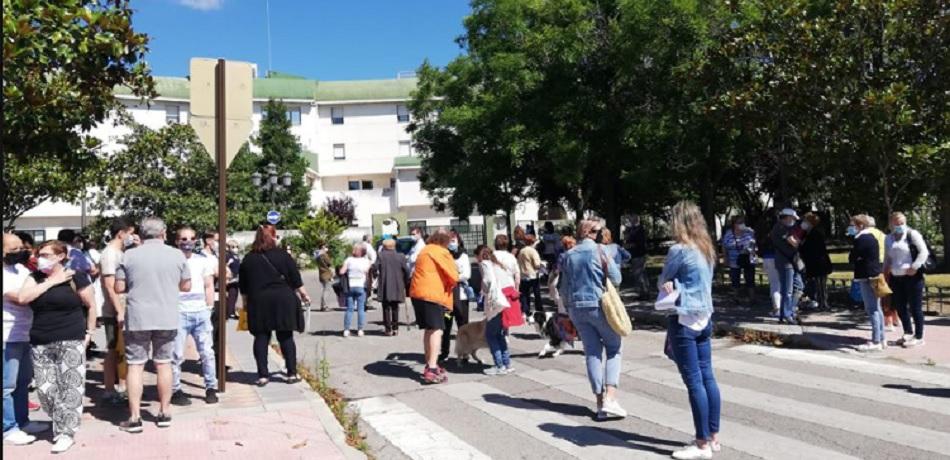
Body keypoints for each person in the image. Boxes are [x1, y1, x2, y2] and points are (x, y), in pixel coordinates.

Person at [18, 240, 97, 453]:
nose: (39, 258)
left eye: (45, 254)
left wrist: (89, 333)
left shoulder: (76, 277)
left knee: (71, 388)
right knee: (45, 390)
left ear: (61, 256)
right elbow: (23, 298)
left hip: (71, 338)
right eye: (39, 254)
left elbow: (91, 306)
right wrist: (53, 281)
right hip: (40, 340)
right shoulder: (35, 278)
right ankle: (61, 422)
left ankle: (66, 433)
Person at [658, 201, 722, 460]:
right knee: (708, 378)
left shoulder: (679, 250)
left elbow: (663, 280)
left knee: (694, 381)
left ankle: (701, 443)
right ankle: (713, 436)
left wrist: (668, 282)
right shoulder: (706, 248)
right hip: (705, 317)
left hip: (683, 318)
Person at [114, 217, 190, 433]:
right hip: (166, 316)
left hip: (138, 317)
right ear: (163, 233)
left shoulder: (129, 255)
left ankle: (135, 417)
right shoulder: (176, 255)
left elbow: (119, 287)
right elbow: (186, 285)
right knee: (163, 363)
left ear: (141, 232)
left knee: (135, 365)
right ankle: (164, 412)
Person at [558, 220, 625, 421]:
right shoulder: (601, 251)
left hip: (577, 309)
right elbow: (617, 278)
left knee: (592, 353)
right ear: (587, 232)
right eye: (596, 231)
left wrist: (569, 309)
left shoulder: (569, 255)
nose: (599, 234)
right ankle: (610, 398)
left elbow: (563, 288)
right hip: (598, 305)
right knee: (614, 347)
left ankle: (599, 403)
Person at [238, 224, 310, 385]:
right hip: (283, 300)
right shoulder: (283, 255)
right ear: (273, 237)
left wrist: (245, 304)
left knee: (261, 337)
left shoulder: (249, 259)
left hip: (259, 302)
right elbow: (295, 278)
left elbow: (243, 286)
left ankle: (263, 375)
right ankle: (291, 373)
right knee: (285, 336)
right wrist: (304, 295)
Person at [3, 233, 52, 446]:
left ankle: (22, 421)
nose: (20, 252)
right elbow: (22, 298)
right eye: (13, 250)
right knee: (7, 386)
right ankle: (8, 427)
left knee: (23, 383)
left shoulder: (21, 270)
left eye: (20, 248)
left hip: (25, 334)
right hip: (7, 336)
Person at [169, 227, 218, 406]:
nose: (187, 242)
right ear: (176, 241)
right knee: (176, 354)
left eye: (191, 238)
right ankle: (175, 389)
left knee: (207, 352)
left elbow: (209, 285)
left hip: (200, 312)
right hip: (179, 312)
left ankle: (211, 387)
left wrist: (209, 307)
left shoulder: (202, 261)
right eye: (183, 239)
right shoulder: (172, 261)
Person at [408, 229, 459, 384]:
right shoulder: (441, 252)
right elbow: (454, 275)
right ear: (445, 241)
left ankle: (429, 362)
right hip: (432, 294)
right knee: (437, 330)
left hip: (418, 293)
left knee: (428, 329)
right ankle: (431, 367)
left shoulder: (425, 250)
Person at [98, 217, 136, 406]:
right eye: (130, 233)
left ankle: (122, 385)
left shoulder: (122, 252)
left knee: (122, 349)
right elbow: (110, 286)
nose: (132, 237)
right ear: (121, 233)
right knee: (114, 349)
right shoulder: (110, 254)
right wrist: (119, 310)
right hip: (114, 310)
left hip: (124, 308)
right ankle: (110, 389)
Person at [885, 212, 930, 348]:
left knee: (915, 307)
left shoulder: (912, 234)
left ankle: (919, 336)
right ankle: (908, 332)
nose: (899, 226)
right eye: (896, 223)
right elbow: (888, 257)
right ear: (891, 224)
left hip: (912, 276)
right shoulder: (889, 238)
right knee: (900, 306)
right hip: (896, 276)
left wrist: (915, 267)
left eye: (901, 223)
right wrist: (885, 271)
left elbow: (924, 252)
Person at [848, 215, 885, 352]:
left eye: (853, 225)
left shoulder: (861, 239)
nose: (851, 228)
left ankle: (876, 340)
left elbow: (852, 257)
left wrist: (855, 257)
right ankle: (881, 337)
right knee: (877, 307)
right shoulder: (872, 237)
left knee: (871, 308)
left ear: (860, 226)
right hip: (875, 274)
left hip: (866, 276)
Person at [478, 246, 517, 375]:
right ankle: (507, 363)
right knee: (501, 334)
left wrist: (483, 290)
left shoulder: (485, 264)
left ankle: (499, 365)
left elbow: (487, 281)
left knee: (491, 334)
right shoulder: (500, 266)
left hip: (495, 304)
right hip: (505, 302)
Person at [439, 232, 472, 361]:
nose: (451, 243)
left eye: (454, 240)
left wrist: (453, 277)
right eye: (449, 241)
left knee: (463, 325)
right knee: (446, 324)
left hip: (461, 296)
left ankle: (465, 352)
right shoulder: (444, 255)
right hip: (447, 296)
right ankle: (444, 351)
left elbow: (467, 274)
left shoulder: (463, 256)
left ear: (458, 241)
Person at [770, 208, 802, 323]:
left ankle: (790, 310)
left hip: (792, 261)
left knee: (799, 286)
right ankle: (786, 314)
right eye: (793, 218)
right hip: (785, 262)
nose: (794, 221)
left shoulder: (788, 228)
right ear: (787, 217)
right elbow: (794, 242)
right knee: (787, 290)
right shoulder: (780, 228)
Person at [374, 239, 409, 336]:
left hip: (385, 284)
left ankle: (388, 329)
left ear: (384, 247)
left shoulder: (381, 256)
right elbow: (406, 271)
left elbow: (375, 268)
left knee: (386, 307)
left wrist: (375, 275)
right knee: (395, 307)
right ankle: (395, 328)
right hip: (397, 284)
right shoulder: (401, 256)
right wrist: (405, 282)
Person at [799, 213, 832, 310]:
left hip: (819, 264)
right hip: (813, 264)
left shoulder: (815, 234)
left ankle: (823, 304)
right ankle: (818, 302)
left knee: (821, 285)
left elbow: (814, 250)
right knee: (816, 285)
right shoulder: (807, 233)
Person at [720, 216, 756, 303]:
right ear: (734, 224)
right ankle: (735, 297)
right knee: (735, 279)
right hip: (734, 259)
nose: (741, 224)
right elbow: (724, 246)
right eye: (738, 222)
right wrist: (725, 257)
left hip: (748, 259)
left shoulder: (749, 232)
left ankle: (752, 298)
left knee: (750, 278)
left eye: (742, 222)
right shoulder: (729, 234)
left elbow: (753, 244)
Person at [340, 244, 371, 337]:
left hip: (350, 286)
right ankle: (360, 330)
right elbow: (367, 272)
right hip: (361, 285)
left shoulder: (349, 260)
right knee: (361, 309)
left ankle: (346, 329)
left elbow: (342, 271)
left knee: (349, 309)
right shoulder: (366, 261)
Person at [517, 234, 543, 324]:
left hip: (523, 275)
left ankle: (525, 311)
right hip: (533, 275)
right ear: (532, 242)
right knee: (536, 294)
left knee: (524, 294)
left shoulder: (521, 251)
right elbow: (537, 264)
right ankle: (539, 310)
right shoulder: (533, 251)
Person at [624, 215, 649, 296]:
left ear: (635, 219)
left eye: (630, 218)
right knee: (640, 274)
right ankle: (643, 292)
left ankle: (644, 293)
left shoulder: (639, 230)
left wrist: (630, 245)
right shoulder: (633, 229)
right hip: (635, 254)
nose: (629, 220)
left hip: (639, 254)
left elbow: (640, 243)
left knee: (639, 274)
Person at [313, 244, 337, 312]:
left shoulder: (317, 256)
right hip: (326, 274)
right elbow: (329, 263)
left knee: (324, 290)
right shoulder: (324, 255)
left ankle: (322, 305)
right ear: (323, 248)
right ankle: (324, 306)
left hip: (321, 274)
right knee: (326, 290)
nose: (327, 248)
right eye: (326, 247)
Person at [225, 239, 242, 320]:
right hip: (230, 278)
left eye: (237, 247)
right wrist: (228, 263)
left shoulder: (237, 256)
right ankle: (229, 312)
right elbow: (223, 266)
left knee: (234, 294)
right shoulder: (228, 256)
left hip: (236, 278)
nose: (236, 249)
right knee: (231, 295)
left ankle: (232, 311)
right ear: (229, 248)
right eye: (233, 247)